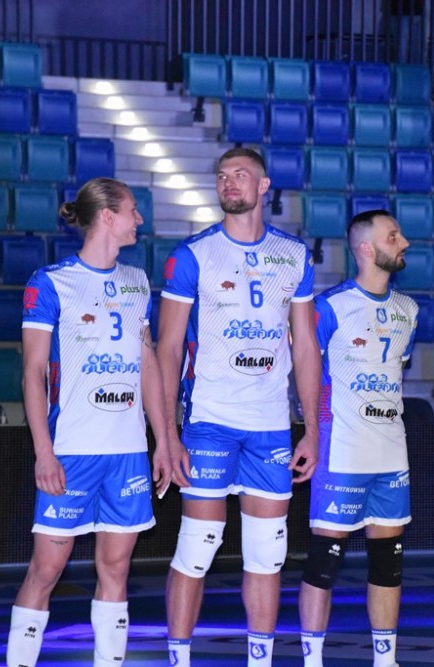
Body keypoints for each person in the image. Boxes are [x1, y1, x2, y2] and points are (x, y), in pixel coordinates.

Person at [156, 147, 320, 666]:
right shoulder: (193, 254)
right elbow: (167, 348)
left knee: (267, 556)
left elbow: (305, 347)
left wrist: (311, 429)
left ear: (264, 185)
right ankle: (179, 659)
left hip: (270, 427)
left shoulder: (294, 255)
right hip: (209, 421)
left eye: (241, 174)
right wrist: (167, 435)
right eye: (223, 176)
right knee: (197, 547)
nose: (229, 183)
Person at [7, 177, 175, 667]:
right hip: (73, 450)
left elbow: (147, 363)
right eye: (132, 211)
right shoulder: (50, 282)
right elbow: (32, 372)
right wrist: (43, 451)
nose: (139, 219)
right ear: (107, 216)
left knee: (116, 568)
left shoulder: (137, 280)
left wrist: (163, 440)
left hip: (127, 452)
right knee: (47, 569)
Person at [299, 210, 419, 667]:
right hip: (343, 452)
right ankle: (313, 661)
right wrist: (313, 431)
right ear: (367, 248)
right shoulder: (329, 308)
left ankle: (385, 661)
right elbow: (305, 371)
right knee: (324, 562)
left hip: (391, 453)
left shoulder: (409, 311)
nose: (404, 243)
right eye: (394, 236)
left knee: (388, 563)